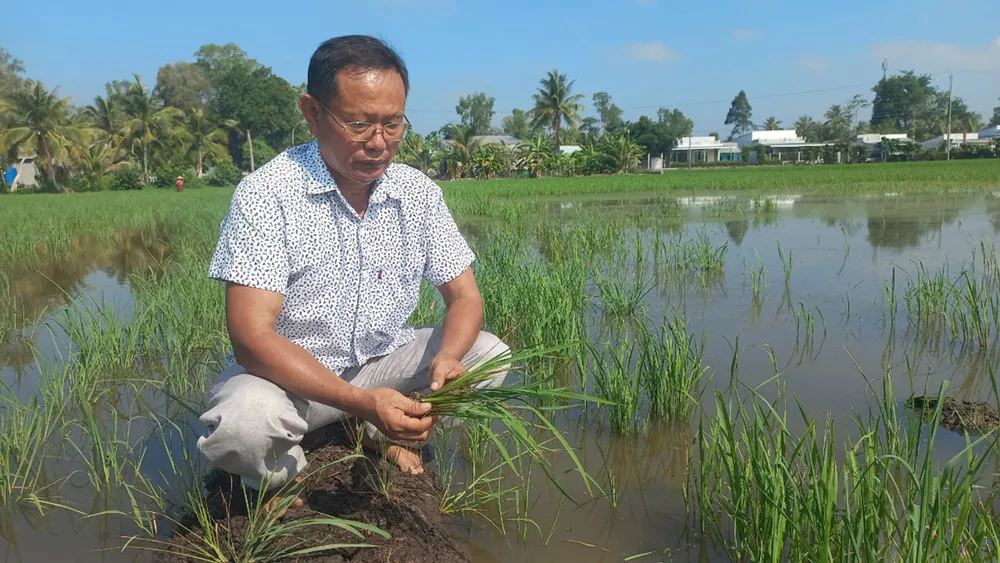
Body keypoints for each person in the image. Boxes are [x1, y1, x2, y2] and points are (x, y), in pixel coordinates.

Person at [197, 35, 510, 509]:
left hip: (379, 362)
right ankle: (283, 477)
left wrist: (448, 357)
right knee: (243, 425)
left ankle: (387, 435)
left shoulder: (416, 193)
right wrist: (359, 400)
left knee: (487, 355)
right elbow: (250, 337)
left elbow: (464, 296)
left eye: (393, 124)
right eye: (359, 124)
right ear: (312, 112)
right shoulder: (268, 194)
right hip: (289, 383)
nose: (380, 144)